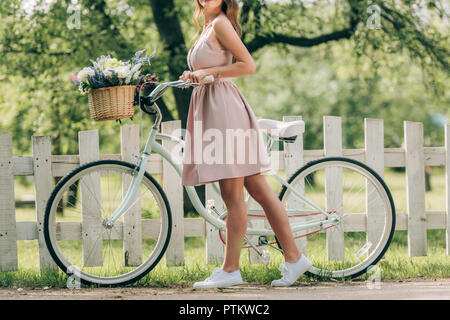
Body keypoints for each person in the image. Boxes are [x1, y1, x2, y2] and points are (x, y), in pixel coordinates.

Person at [179, 0, 312, 289]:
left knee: (232, 194)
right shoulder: (207, 27)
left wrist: (206, 74)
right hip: (217, 109)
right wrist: (195, 76)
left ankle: (230, 270)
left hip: (225, 111)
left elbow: (247, 65)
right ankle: (294, 258)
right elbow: (214, 68)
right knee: (259, 190)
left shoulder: (221, 24)